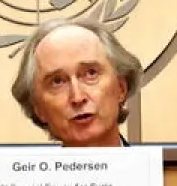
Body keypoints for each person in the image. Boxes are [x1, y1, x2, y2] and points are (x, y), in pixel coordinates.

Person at [9, 18, 144, 147]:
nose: (78, 98)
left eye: (91, 73)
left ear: (121, 88)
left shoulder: (153, 164)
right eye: (57, 81)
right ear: (38, 109)